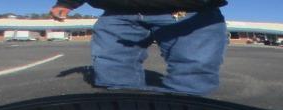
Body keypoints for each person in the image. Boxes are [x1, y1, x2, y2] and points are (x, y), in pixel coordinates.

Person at [49, 1, 228, 95]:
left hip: (189, 9)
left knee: (192, 74)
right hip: (118, 11)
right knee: (113, 73)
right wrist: (67, 2)